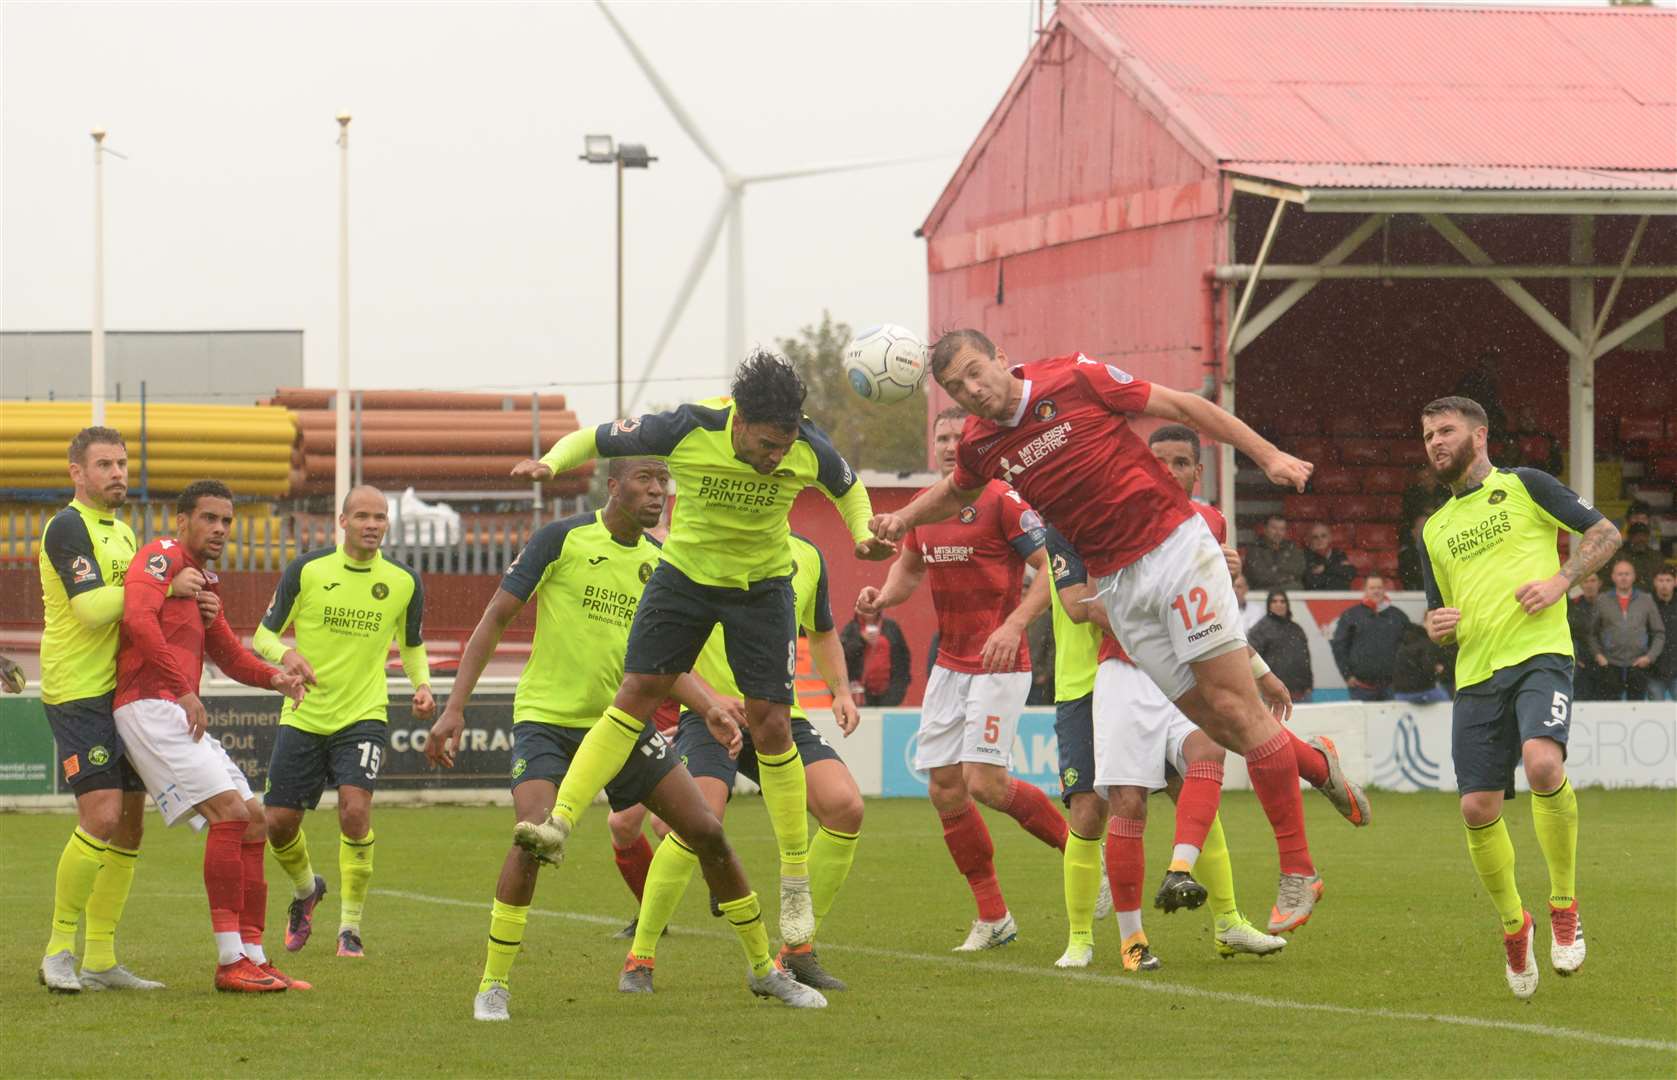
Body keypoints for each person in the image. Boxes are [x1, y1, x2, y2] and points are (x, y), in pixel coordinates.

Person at [872, 330, 1343, 933]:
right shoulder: (979, 442)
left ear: (997, 358)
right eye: (955, 388)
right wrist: (902, 517)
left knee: (1236, 708)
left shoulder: (1071, 377)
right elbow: (956, 491)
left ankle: (1298, 870)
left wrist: (1268, 455)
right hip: (1120, 587)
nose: (972, 391)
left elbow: (1183, 407)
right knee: (1218, 720)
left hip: (1175, 548)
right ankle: (1315, 761)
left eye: (974, 372)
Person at [506, 353, 892, 952]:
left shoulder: (808, 446)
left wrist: (864, 536)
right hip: (684, 577)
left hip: (761, 586)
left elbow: (849, 490)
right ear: (737, 422)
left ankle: (794, 875)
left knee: (771, 726)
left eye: (783, 447)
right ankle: (558, 825)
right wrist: (550, 461)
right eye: (765, 445)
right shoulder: (688, 426)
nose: (774, 458)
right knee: (636, 694)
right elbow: (597, 437)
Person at [427, 456, 827, 1018]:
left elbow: (665, 663)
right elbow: (494, 618)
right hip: (548, 721)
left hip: (621, 728)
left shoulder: (665, 564)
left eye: (664, 481)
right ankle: (494, 984)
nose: (658, 490)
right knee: (533, 836)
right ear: (613, 485)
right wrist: (455, 707)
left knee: (707, 831)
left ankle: (764, 970)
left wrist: (710, 705)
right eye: (646, 479)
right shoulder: (561, 538)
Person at [1418, 395, 1622, 999]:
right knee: (1477, 808)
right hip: (1476, 676)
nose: (1435, 442)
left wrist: (1561, 580)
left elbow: (1604, 533)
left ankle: (1563, 905)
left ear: (1479, 435)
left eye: (1446, 430)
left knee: (1542, 763)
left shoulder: (1526, 485)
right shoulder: (1433, 529)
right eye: (1428, 434)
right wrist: (1436, 625)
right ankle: (1516, 925)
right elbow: (1440, 611)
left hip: (1539, 656)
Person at [855, 405, 1064, 951]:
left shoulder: (1002, 499)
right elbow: (909, 569)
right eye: (942, 438)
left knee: (984, 784)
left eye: (959, 437)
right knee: (945, 787)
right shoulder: (926, 510)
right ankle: (993, 916)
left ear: (976, 442)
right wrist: (882, 597)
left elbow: (1054, 571)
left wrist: (1015, 623)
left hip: (999, 660)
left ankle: (1089, 857)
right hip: (949, 663)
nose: (951, 446)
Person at [623, 534, 864, 993]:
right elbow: (659, 648)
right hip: (712, 715)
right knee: (699, 822)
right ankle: (640, 958)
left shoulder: (809, 555)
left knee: (845, 807)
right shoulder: (700, 548)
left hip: (780, 715)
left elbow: (824, 630)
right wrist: (711, 700)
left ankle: (797, 951)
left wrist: (842, 690)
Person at [1049, 524, 1290, 970]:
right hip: (1091, 680)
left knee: (1202, 769)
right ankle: (1084, 937)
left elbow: (1212, 611)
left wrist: (1215, 570)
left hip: (1174, 669)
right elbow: (1082, 606)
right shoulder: (1068, 522)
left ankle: (1223, 915)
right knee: (1097, 808)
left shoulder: (1185, 520)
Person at [113, 479, 310, 992]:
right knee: (230, 813)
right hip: (150, 706)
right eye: (209, 518)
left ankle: (253, 956)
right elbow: (136, 618)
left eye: (227, 520)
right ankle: (228, 963)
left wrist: (277, 678)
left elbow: (229, 653)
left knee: (254, 820)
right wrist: (183, 689)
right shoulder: (160, 555)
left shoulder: (203, 582)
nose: (220, 528)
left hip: (175, 708)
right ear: (182, 520)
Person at [254, 485, 434, 960]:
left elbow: (411, 643)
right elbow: (262, 635)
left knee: (355, 812)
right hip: (304, 712)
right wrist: (286, 654)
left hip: (363, 714)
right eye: (362, 516)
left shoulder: (403, 581)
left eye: (380, 517)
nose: (372, 525)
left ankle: (350, 928)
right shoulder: (308, 570)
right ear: (343, 521)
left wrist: (423, 684)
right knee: (278, 822)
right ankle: (305, 889)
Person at [34, 426, 166, 993]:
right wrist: (165, 588)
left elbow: (136, 614)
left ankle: (102, 959)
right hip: (77, 690)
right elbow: (90, 609)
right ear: (77, 473)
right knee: (103, 817)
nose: (118, 473)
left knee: (132, 826)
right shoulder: (67, 526)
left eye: (122, 462)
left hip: (123, 691)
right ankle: (58, 950)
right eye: (105, 464)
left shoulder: (126, 532)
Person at [1587, 557, 1665, 702]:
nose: (1623, 577)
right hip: (1610, 664)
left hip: (1638, 664)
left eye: (1627, 574)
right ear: (1613, 577)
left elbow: (1659, 633)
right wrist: (1598, 655)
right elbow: (1592, 633)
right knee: (1610, 710)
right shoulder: (1602, 600)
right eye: (1620, 574)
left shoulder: (1646, 599)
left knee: (1637, 710)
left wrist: (1649, 657)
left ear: (1634, 576)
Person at [1331, 575, 1409, 701]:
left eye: (1379, 587)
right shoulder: (1351, 615)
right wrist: (1347, 675)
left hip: (1392, 687)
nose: (1376, 591)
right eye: (1372, 588)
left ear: (1384, 590)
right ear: (1365, 590)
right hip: (1361, 688)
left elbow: (1409, 645)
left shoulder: (1398, 616)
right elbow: (1339, 647)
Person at [1248, 591, 1313, 702]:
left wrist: (1308, 684)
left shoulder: (1296, 629)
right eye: (1274, 601)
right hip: (1273, 693)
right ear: (1269, 605)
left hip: (1300, 691)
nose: (1279, 604)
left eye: (1282, 601)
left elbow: (1305, 658)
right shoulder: (1259, 630)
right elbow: (1252, 661)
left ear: (1287, 605)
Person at [838, 610, 910, 707]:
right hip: (860, 693)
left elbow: (903, 658)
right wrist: (861, 639)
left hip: (889, 692)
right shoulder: (852, 628)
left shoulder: (890, 627)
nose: (869, 612)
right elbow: (843, 656)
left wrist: (898, 688)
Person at [1391, 623, 1450, 704]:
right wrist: (1436, 669)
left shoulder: (1401, 647)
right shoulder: (1425, 644)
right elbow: (1427, 666)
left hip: (1401, 693)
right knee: (1447, 702)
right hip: (1423, 692)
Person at [1567, 574, 1604, 701]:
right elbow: (1570, 636)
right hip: (1582, 665)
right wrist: (1577, 659)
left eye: (1593, 581)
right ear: (1581, 585)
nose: (1589, 585)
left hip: (1607, 664)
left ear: (1600, 583)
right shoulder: (1573, 606)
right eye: (1586, 581)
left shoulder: (1609, 604)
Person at [1244, 514, 1305, 590]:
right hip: (1261, 594)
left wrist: (1274, 571)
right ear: (1265, 529)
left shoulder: (1292, 548)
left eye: (1282, 529)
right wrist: (1285, 577)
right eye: (1274, 528)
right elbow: (1258, 576)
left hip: (1290, 593)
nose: (1278, 533)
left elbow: (1298, 570)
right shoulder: (1254, 549)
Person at [1301, 523, 1356, 590]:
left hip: (1339, 596)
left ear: (1330, 538)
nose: (1320, 540)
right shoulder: (1305, 556)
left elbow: (1350, 573)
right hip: (1316, 597)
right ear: (1309, 540)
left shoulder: (1338, 554)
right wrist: (1338, 571)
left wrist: (1325, 568)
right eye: (1315, 537)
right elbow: (1312, 582)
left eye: (1323, 536)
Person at [1650, 568, 1677, 701]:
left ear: (1675, 582)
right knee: (1655, 713)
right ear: (1655, 582)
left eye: (1668, 580)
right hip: (1654, 670)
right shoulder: (1647, 604)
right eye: (1661, 580)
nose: (1664, 584)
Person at [1619, 523, 1667, 593]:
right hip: (1626, 596)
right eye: (1637, 536)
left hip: (1654, 597)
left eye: (1644, 536)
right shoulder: (1619, 556)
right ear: (1629, 537)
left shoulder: (1656, 556)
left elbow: (1663, 578)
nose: (1641, 539)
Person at [1398, 513, 1430, 591]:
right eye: (1421, 528)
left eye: (1428, 528)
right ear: (1413, 532)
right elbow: (1408, 579)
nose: (1424, 532)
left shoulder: (1438, 551)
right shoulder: (1406, 555)